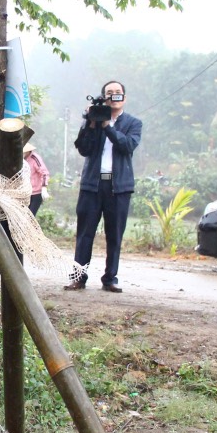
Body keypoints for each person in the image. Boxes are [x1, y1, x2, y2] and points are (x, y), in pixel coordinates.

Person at [65, 80, 141, 293]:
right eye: (109, 93)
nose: (114, 96)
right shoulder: (94, 120)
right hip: (92, 185)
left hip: (119, 188)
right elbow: (83, 148)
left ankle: (110, 278)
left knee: (114, 234)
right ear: (103, 97)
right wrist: (91, 123)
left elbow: (127, 145)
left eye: (118, 93)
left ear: (124, 98)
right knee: (84, 233)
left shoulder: (133, 123)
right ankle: (78, 277)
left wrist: (107, 125)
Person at [24, 142, 49, 215]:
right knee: (23, 216)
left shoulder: (35, 158)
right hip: (25, 193)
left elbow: (44, 173)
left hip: (36, 193)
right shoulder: (20, 160)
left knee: (30, 216)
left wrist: (44, 188)